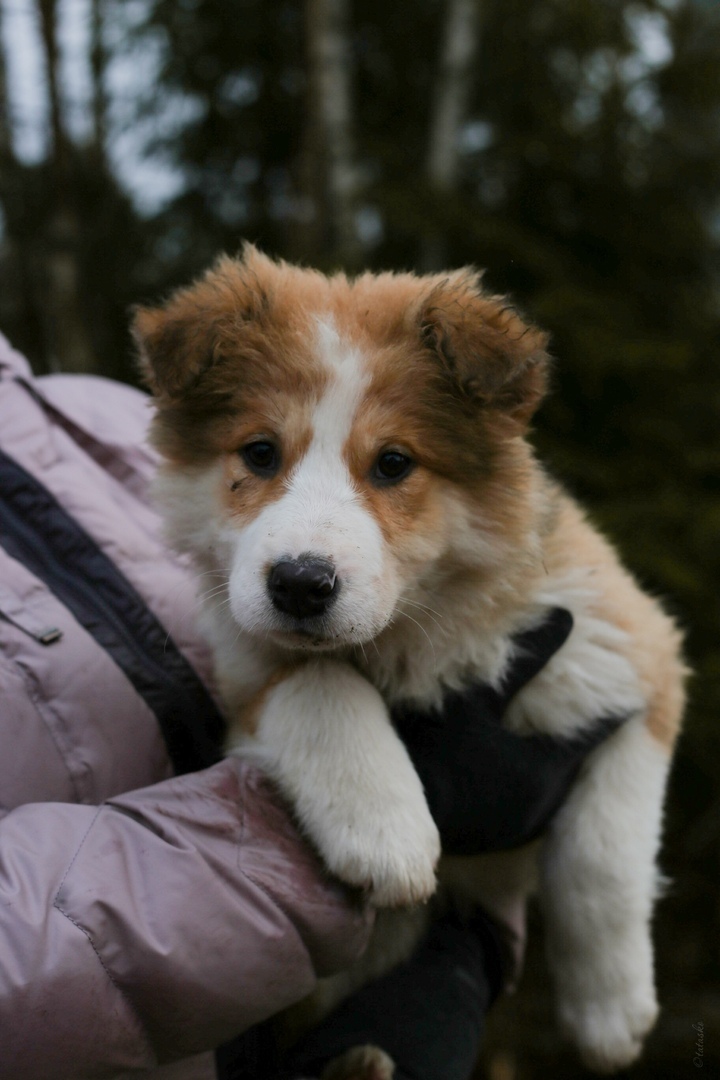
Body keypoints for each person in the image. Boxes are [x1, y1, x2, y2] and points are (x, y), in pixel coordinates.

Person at [0, 331, 623, 1080]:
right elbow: (384, 807)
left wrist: (469, 949)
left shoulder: (101, 413)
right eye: (261, 458)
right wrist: (299, 843)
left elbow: (434, 804)